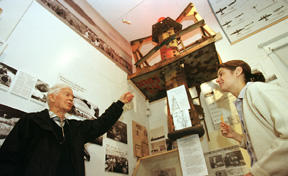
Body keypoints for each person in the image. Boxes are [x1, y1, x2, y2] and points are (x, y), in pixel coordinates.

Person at [0, 84, 134, 176]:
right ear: (52, 97)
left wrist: (119, 103)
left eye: (72, 96)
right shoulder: (31, 121)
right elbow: (8, 157)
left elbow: (101, 124)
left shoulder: (76, 128)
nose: (71, 98)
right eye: (67, 94)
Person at [216, 60, 288, 176]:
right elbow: (262, 142)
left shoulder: (257, 90)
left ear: (238, 71)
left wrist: (256, 172)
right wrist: (235, 135)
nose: (217, 79)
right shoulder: (242, 102)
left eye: (221, 74)